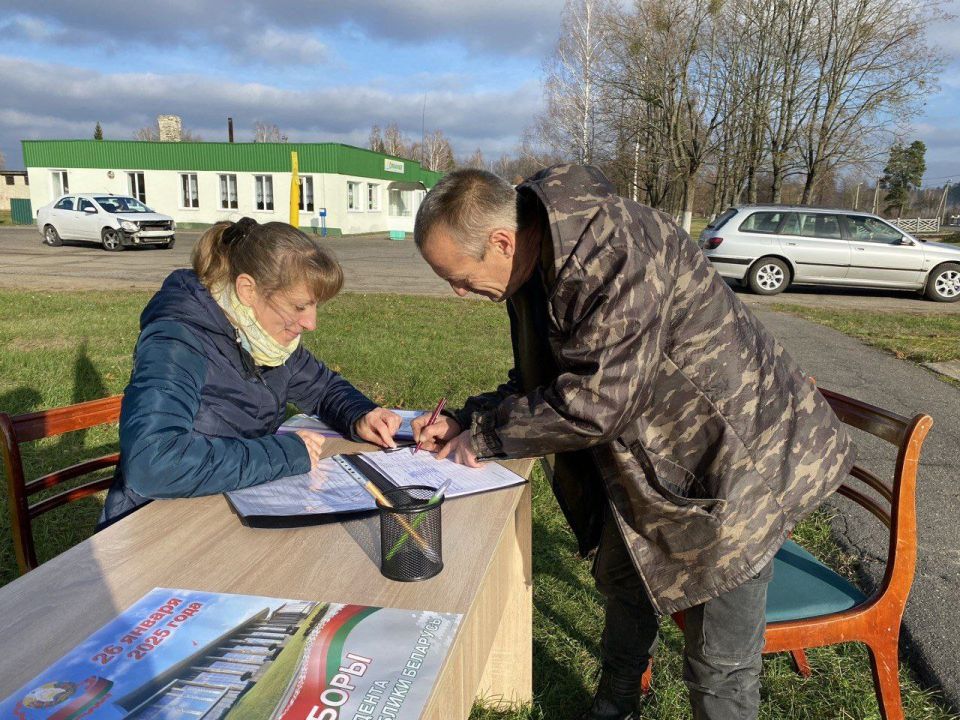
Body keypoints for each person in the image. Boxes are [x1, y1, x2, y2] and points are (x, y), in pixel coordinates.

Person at [411, 166, 856, 720]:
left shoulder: (615, 251)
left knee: (719, 662)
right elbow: (542, 381)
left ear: (502, 241)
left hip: (736, 465)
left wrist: (483, 436)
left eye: (457, 277)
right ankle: (614, 706)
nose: (457, 292)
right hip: (655, 456)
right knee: (627, 581)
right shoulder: (536, 259)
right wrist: (465, 419)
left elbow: (595, 403)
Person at [99, 217, 400, 528]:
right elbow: (153, 462)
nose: (311, 323)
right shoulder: (176, 341)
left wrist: (361, 415)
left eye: (314, 307)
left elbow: (322, 388)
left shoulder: (261, 337)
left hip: (223, 510)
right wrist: (284, 454)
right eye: (299, 307)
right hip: (155, 524)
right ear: (247, 289)